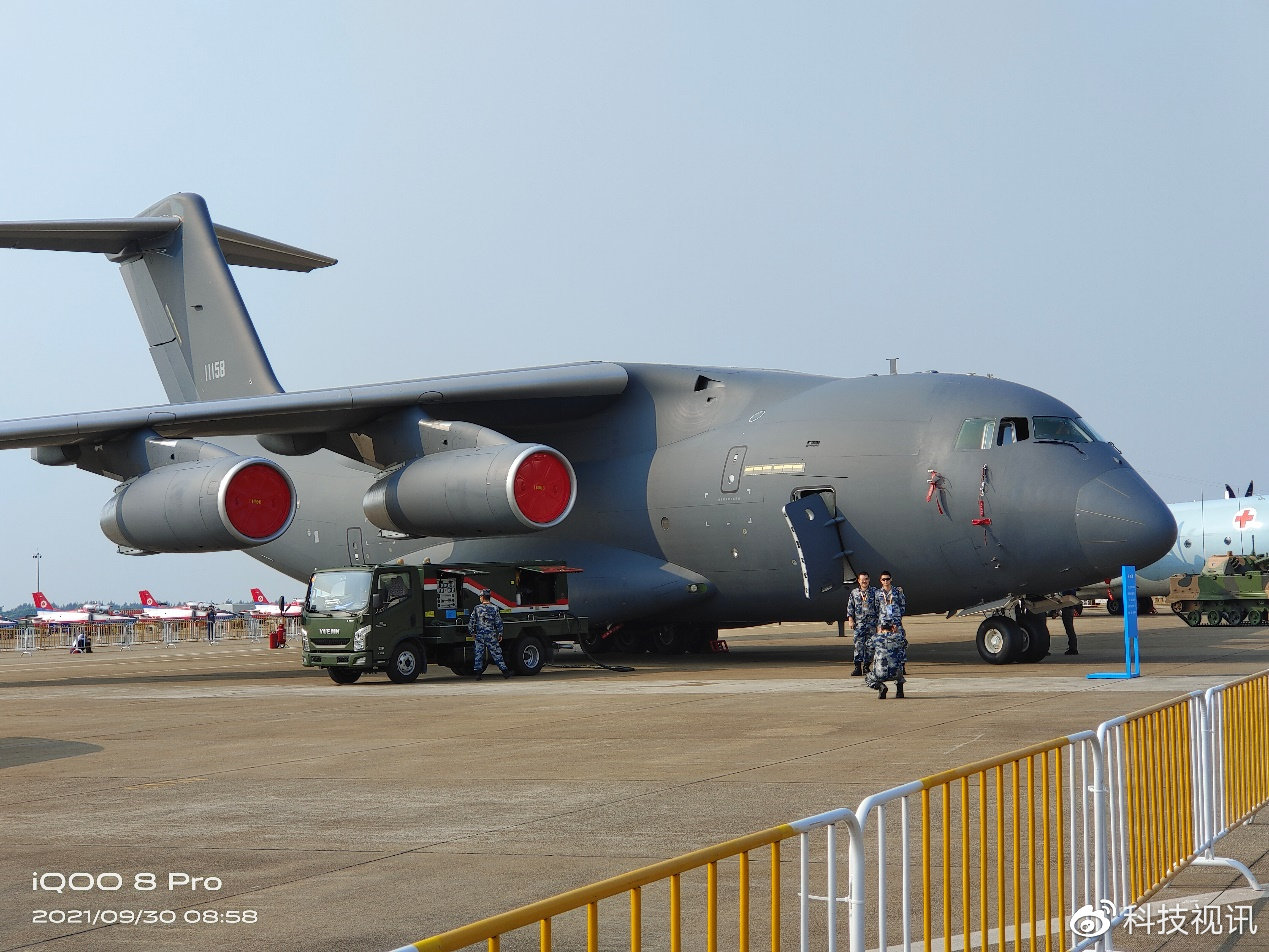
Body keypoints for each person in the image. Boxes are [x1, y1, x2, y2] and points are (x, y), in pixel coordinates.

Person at [865, 571, 906, 699]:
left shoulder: (897, 592)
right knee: (898, 644)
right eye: (883, 579)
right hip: (883, 621)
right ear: (880, 580)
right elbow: (876, 607)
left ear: (891, 579)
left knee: (899, 649)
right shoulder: (878, 593)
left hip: (895, 621)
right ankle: (898, 679)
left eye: (887, 579)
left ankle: (901, 668)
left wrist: (897, 617)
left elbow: (902, 605)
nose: (886, 581)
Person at [468, 589, 511, 680]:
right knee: (496, 653)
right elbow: (498, 622)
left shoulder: (477, 608)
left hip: (480, 635)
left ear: (482, 597)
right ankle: (505, 672)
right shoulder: (495, 608)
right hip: (491, 635)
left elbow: (471, 622)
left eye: (480, 596)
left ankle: (478, 674)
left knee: (479, 654)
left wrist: (472, 632)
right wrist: (500, 633)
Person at [845, 571, 879, 676]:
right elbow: (850, 606)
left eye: (866, 579)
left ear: (869, 580)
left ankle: (866, 666)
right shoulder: (854, 593)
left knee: (870, 646)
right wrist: (850, 619)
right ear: (859, 581)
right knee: (858, 645)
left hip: (872, 623)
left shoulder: (874, 592)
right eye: (862, 579)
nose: (864, 581)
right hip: (859, 623)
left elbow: (879, 606)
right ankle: (857, 667)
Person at [1060, 589, 1078, 655]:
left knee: (1069, 629)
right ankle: (1073, 647)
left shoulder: (1067, 588)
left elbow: (1066, 597)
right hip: (1069, 608)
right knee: (1070, 629)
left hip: (1067, 608)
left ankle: (1073, 648)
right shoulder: (1072, 588)